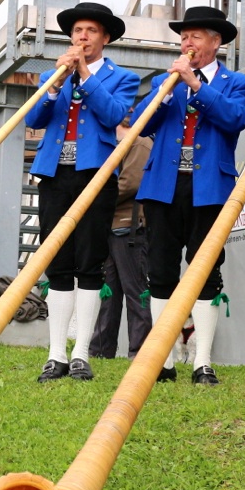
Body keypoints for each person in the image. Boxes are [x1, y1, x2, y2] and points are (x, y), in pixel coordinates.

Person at [135, 6, 245, 385]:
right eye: (184, 37)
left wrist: (197, 86)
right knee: (160, 269)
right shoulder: (164, 81)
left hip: (210, 188)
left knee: (205, 269)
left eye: (196, 37)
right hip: (162, 186)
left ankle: (202, 360)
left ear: (216, 42)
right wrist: (166, 93)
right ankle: (163, 358)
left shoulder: (238, 83)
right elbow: (139, 123)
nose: (187, 43)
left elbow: (236, 119)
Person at [28, 3, 139, 382]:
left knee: (90, 261)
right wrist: (55, 84)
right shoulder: (52, 75)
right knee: (57, 261)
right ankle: (56, 353)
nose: (82, 37)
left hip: (96, 174)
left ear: (105, 38)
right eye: (77, 31)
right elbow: (34, 119)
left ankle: (81, 353)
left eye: (91, 31)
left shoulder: (122, 77)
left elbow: (114, 115)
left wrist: (85, 76)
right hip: (54, 174)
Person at [90, 116, 152, 360]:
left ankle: (140, 351)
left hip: (130, 227)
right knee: (108, 292)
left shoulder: (140, 142)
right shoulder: (122, 144)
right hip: (113, 226)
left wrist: (95, 201)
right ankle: (100, 349)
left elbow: (130, 184)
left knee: (136, 291)